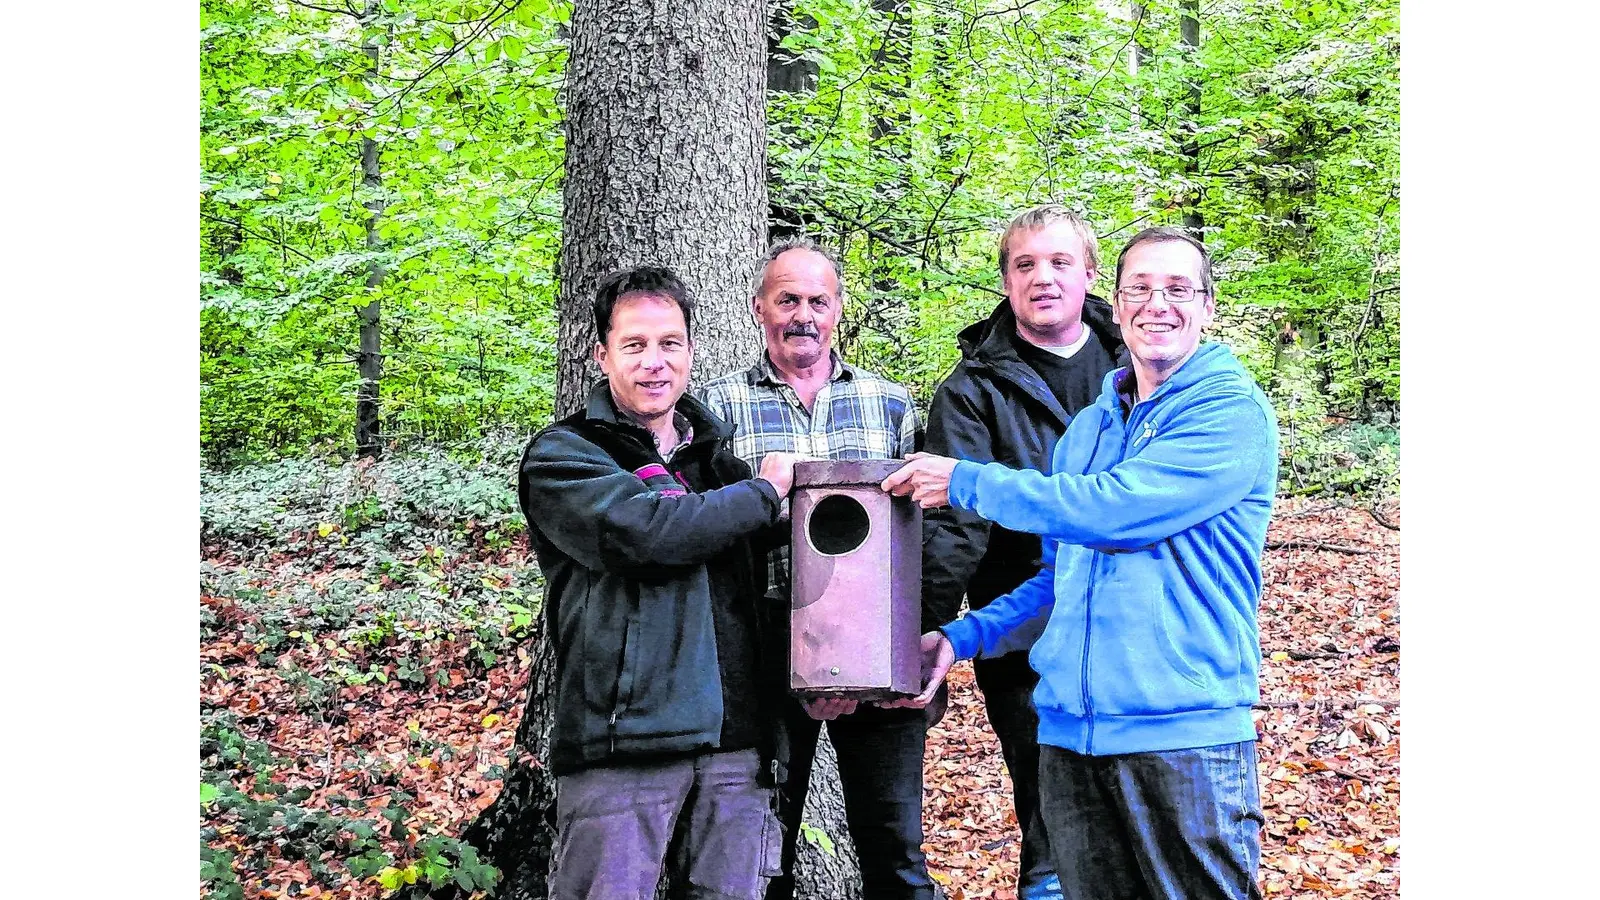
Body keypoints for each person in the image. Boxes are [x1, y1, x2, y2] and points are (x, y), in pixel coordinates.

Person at [883, 227, 1278, 900]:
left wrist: (970, 482)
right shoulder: (1090, 429)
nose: (1159, 304)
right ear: (1117, 305)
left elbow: (1114, 511)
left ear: (1208, 307)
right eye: (1142, 290)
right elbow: (1061, 578)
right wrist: (961, 635)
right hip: (1069, 740)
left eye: (1179, 289)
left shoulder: (1227, 410)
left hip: (1179, 734)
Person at [518, 265, 802, 900]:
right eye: (635, 345)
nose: (655, 362)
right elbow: (649, 533)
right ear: (601, 353)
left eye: (670, 344)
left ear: (691, 351)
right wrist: (765, 494)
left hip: (738, 744)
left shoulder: (718, 464)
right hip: (625, 746)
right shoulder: (567, 457)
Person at [699, 238, 930, 900]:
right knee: (763, 848)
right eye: (787, 299)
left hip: (877, 644)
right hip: (764, 645)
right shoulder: (715, 409)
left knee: (895, 849)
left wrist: (874, 657)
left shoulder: (890, 405)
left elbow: (920, 533)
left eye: (817, 301)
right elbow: (708, 531)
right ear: (758, 308)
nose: (803, 314)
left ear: (838, 309)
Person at [919, 204, 1128, 900]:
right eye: (1025, 264)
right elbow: (954, 522)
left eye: (1060, 262)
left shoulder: (1141, 366)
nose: (1043, 278)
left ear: (1090, 275)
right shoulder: (972, 389)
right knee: (1051, 822)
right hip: (1023, 637)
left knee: (1139, 816)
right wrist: (919, 635)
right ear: (1006, 281)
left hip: (1137, 628)